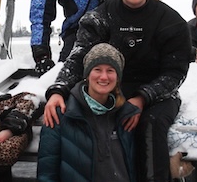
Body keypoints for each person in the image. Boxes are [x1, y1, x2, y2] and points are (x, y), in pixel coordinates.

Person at [42, 0, 191, 182]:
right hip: (110, 87)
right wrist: (57, 91)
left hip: (158, 95)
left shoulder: (171, 21)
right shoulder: (101, 16)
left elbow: (175, 73)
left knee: (149, 123)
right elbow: (79, 56)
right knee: (73, 116)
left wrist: (142, 98)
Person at [37, 43, 139, 182]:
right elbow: (47, 173)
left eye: (110, 70)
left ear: (118, 77)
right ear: (87, 74)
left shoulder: (127, 115)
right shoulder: (61, 114)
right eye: (97, 69)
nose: (104, 77)